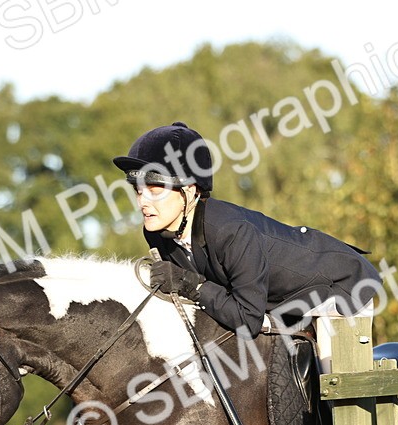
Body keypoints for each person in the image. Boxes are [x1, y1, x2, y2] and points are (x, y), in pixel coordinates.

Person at [112, 122, 382, 367]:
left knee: (334, 391)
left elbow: (247, 320)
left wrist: (190, 285)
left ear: (190, 191)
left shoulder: (230, 230)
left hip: (339, 287)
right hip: (278, 305)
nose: (142, 201)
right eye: (138, 189)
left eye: (155, 189)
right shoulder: (158, 232)